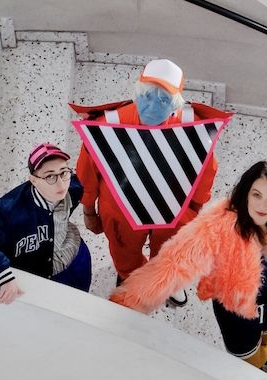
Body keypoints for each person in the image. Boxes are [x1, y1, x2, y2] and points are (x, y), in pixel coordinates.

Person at [109, 161, 267, 378]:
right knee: (248, 358)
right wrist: (128, 301)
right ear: (245, 194)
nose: (262, 206)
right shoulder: (220, 225)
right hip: (237, 311)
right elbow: (175, 262)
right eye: (256, 195)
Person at [75, 58, 218, 305]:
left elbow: (206, 172)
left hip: (173, 205)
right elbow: (87, 173)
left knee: (170, 249)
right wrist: (89, 211)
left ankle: (162, 278)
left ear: (175, 105)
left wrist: (194, 211)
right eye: (147, 95)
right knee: (124, 252)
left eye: (163, 100)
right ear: (136, 93)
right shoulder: (108, 124)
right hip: (119, 205)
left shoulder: (191, 128)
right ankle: (130, 278)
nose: (151, 107)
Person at [0, 143, 91, 304]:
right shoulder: (9, 211)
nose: (60, 183)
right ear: (34, 181)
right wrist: (2, 271)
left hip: (76, 259)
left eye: (63, 172)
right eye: (50, 176)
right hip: (40, 279)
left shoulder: (73, 187)